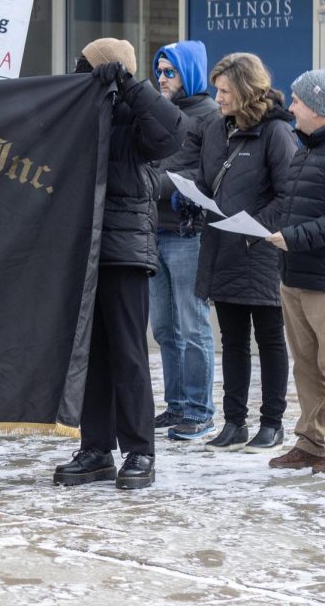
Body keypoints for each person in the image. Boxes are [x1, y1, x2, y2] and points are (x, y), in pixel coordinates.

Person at [53, 38, 185, 490]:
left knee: (129, 355)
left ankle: (140, 450)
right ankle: (95, 449)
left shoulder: (136, 118)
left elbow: (172, 132)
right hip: (81, 254)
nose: (77, 72)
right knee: (91, 360)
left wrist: (130, 85)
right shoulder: (81, 114)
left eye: (86, 67)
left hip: (125, 253)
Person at [194, 53, 295, 453]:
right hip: (223, 248)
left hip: (262, 249)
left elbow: (288, 195)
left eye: (224, 90)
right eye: (216, 90)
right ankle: (234, 422)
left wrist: (252, 228)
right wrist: (191, 194)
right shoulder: (216, 129)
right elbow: (207, 180)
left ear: (246, 90)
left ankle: (272, 423)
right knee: (232, 340)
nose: (217, 98)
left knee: (270, 339)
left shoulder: (276, 133)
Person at [147, 41, 220, 441]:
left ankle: (199, 411)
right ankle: (176, 405)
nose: (161, 78)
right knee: (163, 327)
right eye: (158, 71)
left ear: (189, 73)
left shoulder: (210, 116)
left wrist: (164, 187)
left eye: (169, 71)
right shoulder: (160, 112)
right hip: (153, 230)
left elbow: (209, 176)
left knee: (192, 325)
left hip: (188, 234)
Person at [266, 69, 325, 472]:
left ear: (319, 108)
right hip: (293, 277)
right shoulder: (303, 150)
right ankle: (312, 442)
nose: (290, 107)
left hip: (321, 281)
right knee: (305, 366)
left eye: (298, 101)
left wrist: (295, 237)